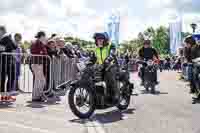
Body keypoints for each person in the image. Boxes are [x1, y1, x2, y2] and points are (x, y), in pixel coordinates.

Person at [92, 32, 119, 103]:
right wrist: (88, 64)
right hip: (102, 67)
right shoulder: (96, 49)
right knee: (94, 78)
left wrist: (109, 58)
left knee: (109, 77)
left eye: (101, 40)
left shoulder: (110, 46)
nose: (99, 41)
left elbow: (112, 53)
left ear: (105, 40)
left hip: (112, 65)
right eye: (98, 40)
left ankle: (116, 95)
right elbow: (93, 59)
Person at [0, 26, 17, 101]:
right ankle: (5, 96)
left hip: (6, 61)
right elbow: (14, 47)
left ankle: (6, 95)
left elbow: (14, 47)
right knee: (6, 78)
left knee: (7, 78)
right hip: (5, 61)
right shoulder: (5, 38)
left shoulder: (6, 38)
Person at [30, 31, 48, 102]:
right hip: (36, 64)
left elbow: (44, 53)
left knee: (40, 80)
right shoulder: (37, 43)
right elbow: (43, 53)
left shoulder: (38, 43)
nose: (45, 37)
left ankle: (38, 95)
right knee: (39, 81)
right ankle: (36, 96)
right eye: (44, 36)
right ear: (42, 36)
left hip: (38, 63)